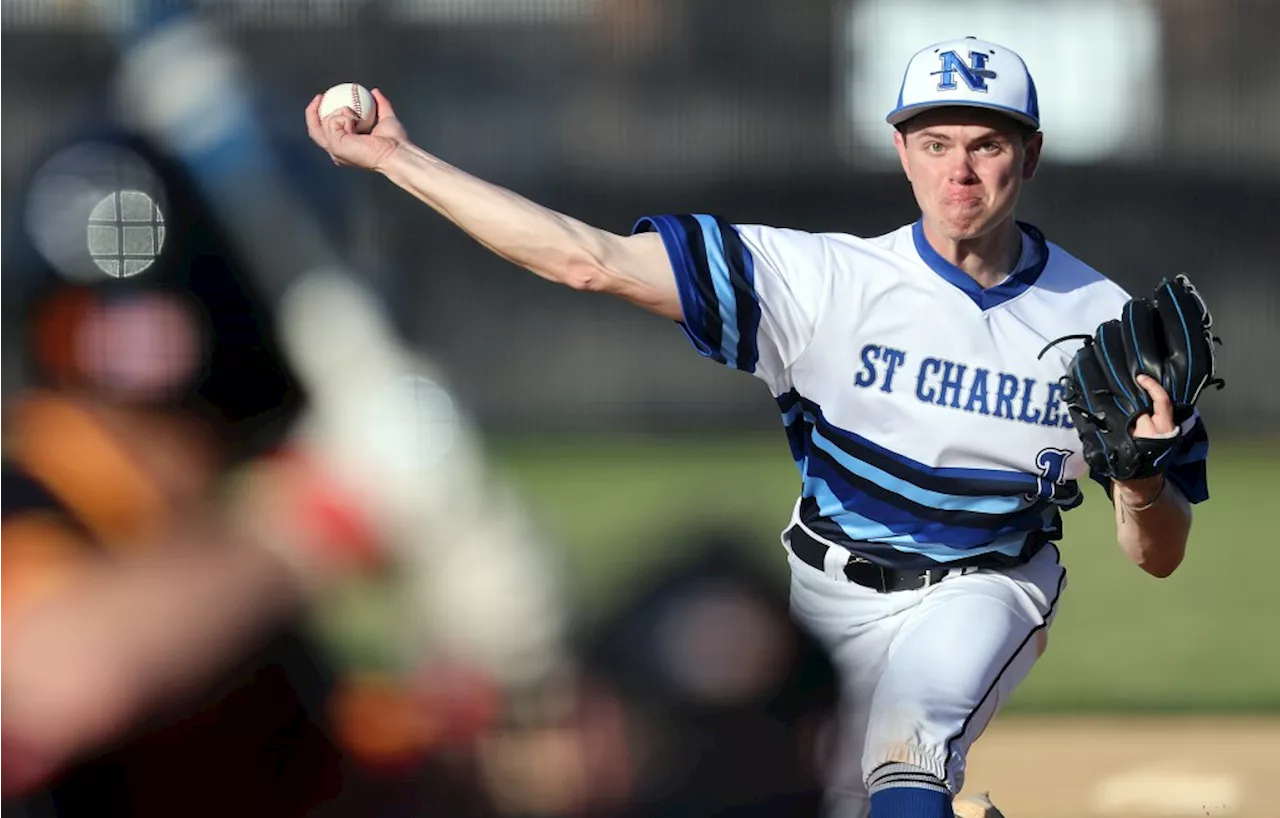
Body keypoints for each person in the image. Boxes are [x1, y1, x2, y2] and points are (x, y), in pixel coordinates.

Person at [304, 35, 1210, 818]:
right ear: (901, 151)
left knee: (909, 747)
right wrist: (396, 161)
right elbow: (590, 261)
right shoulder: (826, 283)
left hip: (988, 584)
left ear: (1031, 154)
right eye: (934, 143)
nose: (959, 171)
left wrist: (1140, 479)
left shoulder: (1102, 321)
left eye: (986, 145)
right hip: (822, 585)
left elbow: (1157, 552)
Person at [0, 126, 509, 818]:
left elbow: (318, 761)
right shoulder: (31, 496)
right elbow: (53, 676)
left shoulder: (201, 564)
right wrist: (329, 505)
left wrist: (478, 730)